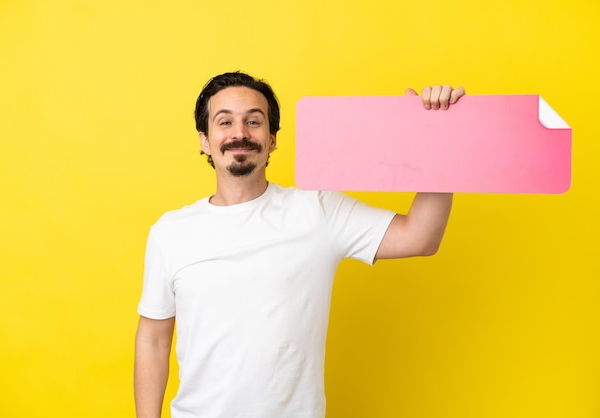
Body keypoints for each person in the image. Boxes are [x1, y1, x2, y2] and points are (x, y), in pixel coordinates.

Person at [134, 71, 465, 418]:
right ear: (205, 140)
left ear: (273, 139)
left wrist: (437, 138)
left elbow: (421, 236)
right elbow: (153, 340)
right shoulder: (170, 232)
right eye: (225, 121)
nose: (240, 133)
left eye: (253, 121)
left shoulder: (317, 210)